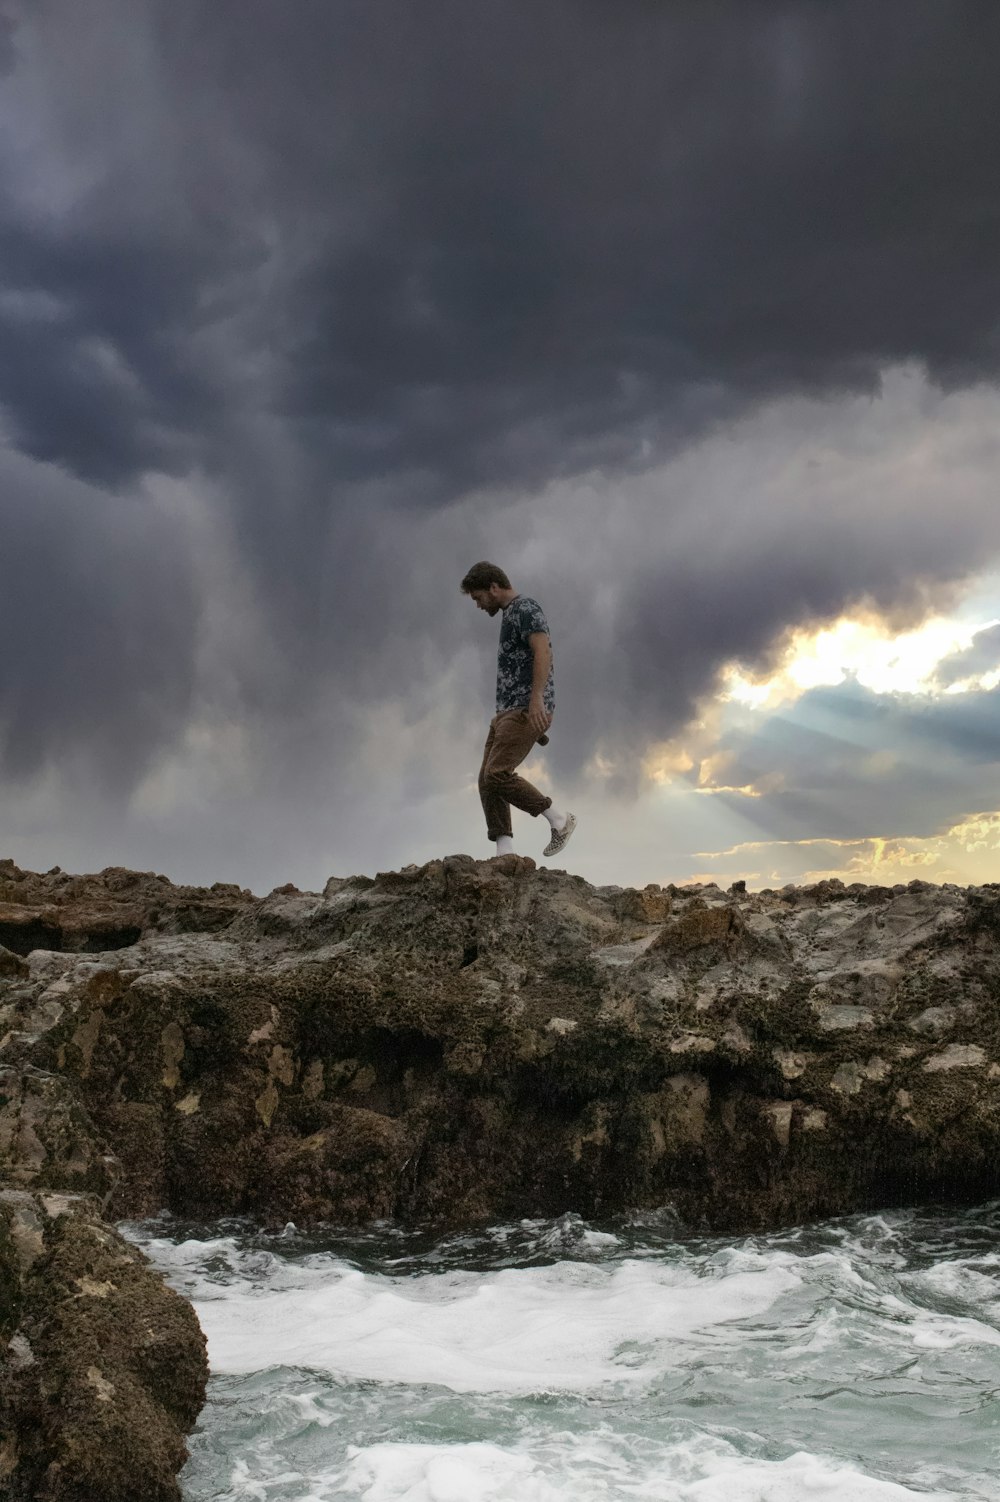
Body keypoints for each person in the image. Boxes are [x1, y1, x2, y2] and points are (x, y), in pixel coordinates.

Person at [461, 561, 577, 859]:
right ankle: (505, 851)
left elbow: (543, 649)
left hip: (525, 707)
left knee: (498, 773)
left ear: (494, 587)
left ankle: (559, 820)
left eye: (478, 598)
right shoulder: (510, 614)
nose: (478, 605)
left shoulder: (526, 608)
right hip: (507, 711)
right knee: (487, 778)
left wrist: (536, 699)